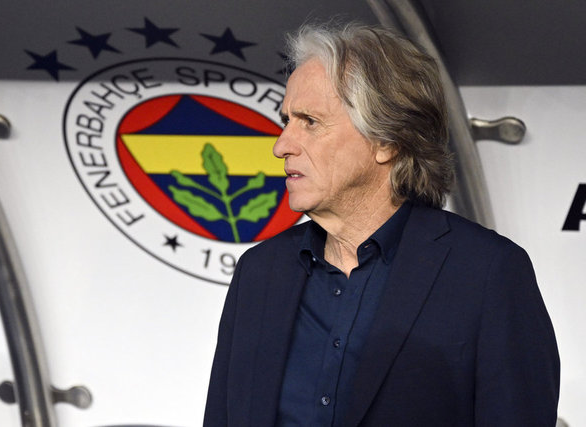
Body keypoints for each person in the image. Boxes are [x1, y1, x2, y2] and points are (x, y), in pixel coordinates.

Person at [204, 22, 560, 426]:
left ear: (387, 141)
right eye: (286, 120)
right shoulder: (259, 273)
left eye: (310, 122)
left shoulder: (486, 273)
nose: (281, 145)